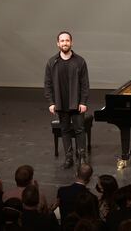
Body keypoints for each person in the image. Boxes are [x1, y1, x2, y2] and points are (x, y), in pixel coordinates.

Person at [44, 30, 90, 169]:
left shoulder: (80, 61)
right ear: (58, 43)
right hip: (60, 102)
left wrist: (83, 102)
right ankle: (68, 158)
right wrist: (51, 102)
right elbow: (48, 84)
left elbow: (85, 84)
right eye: (62, 41)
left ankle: (82, 157)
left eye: (67, 40)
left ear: (71, 42)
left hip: (76, 103)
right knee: (64, 130)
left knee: (79, 130)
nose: (65, 43)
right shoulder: (52, 62)